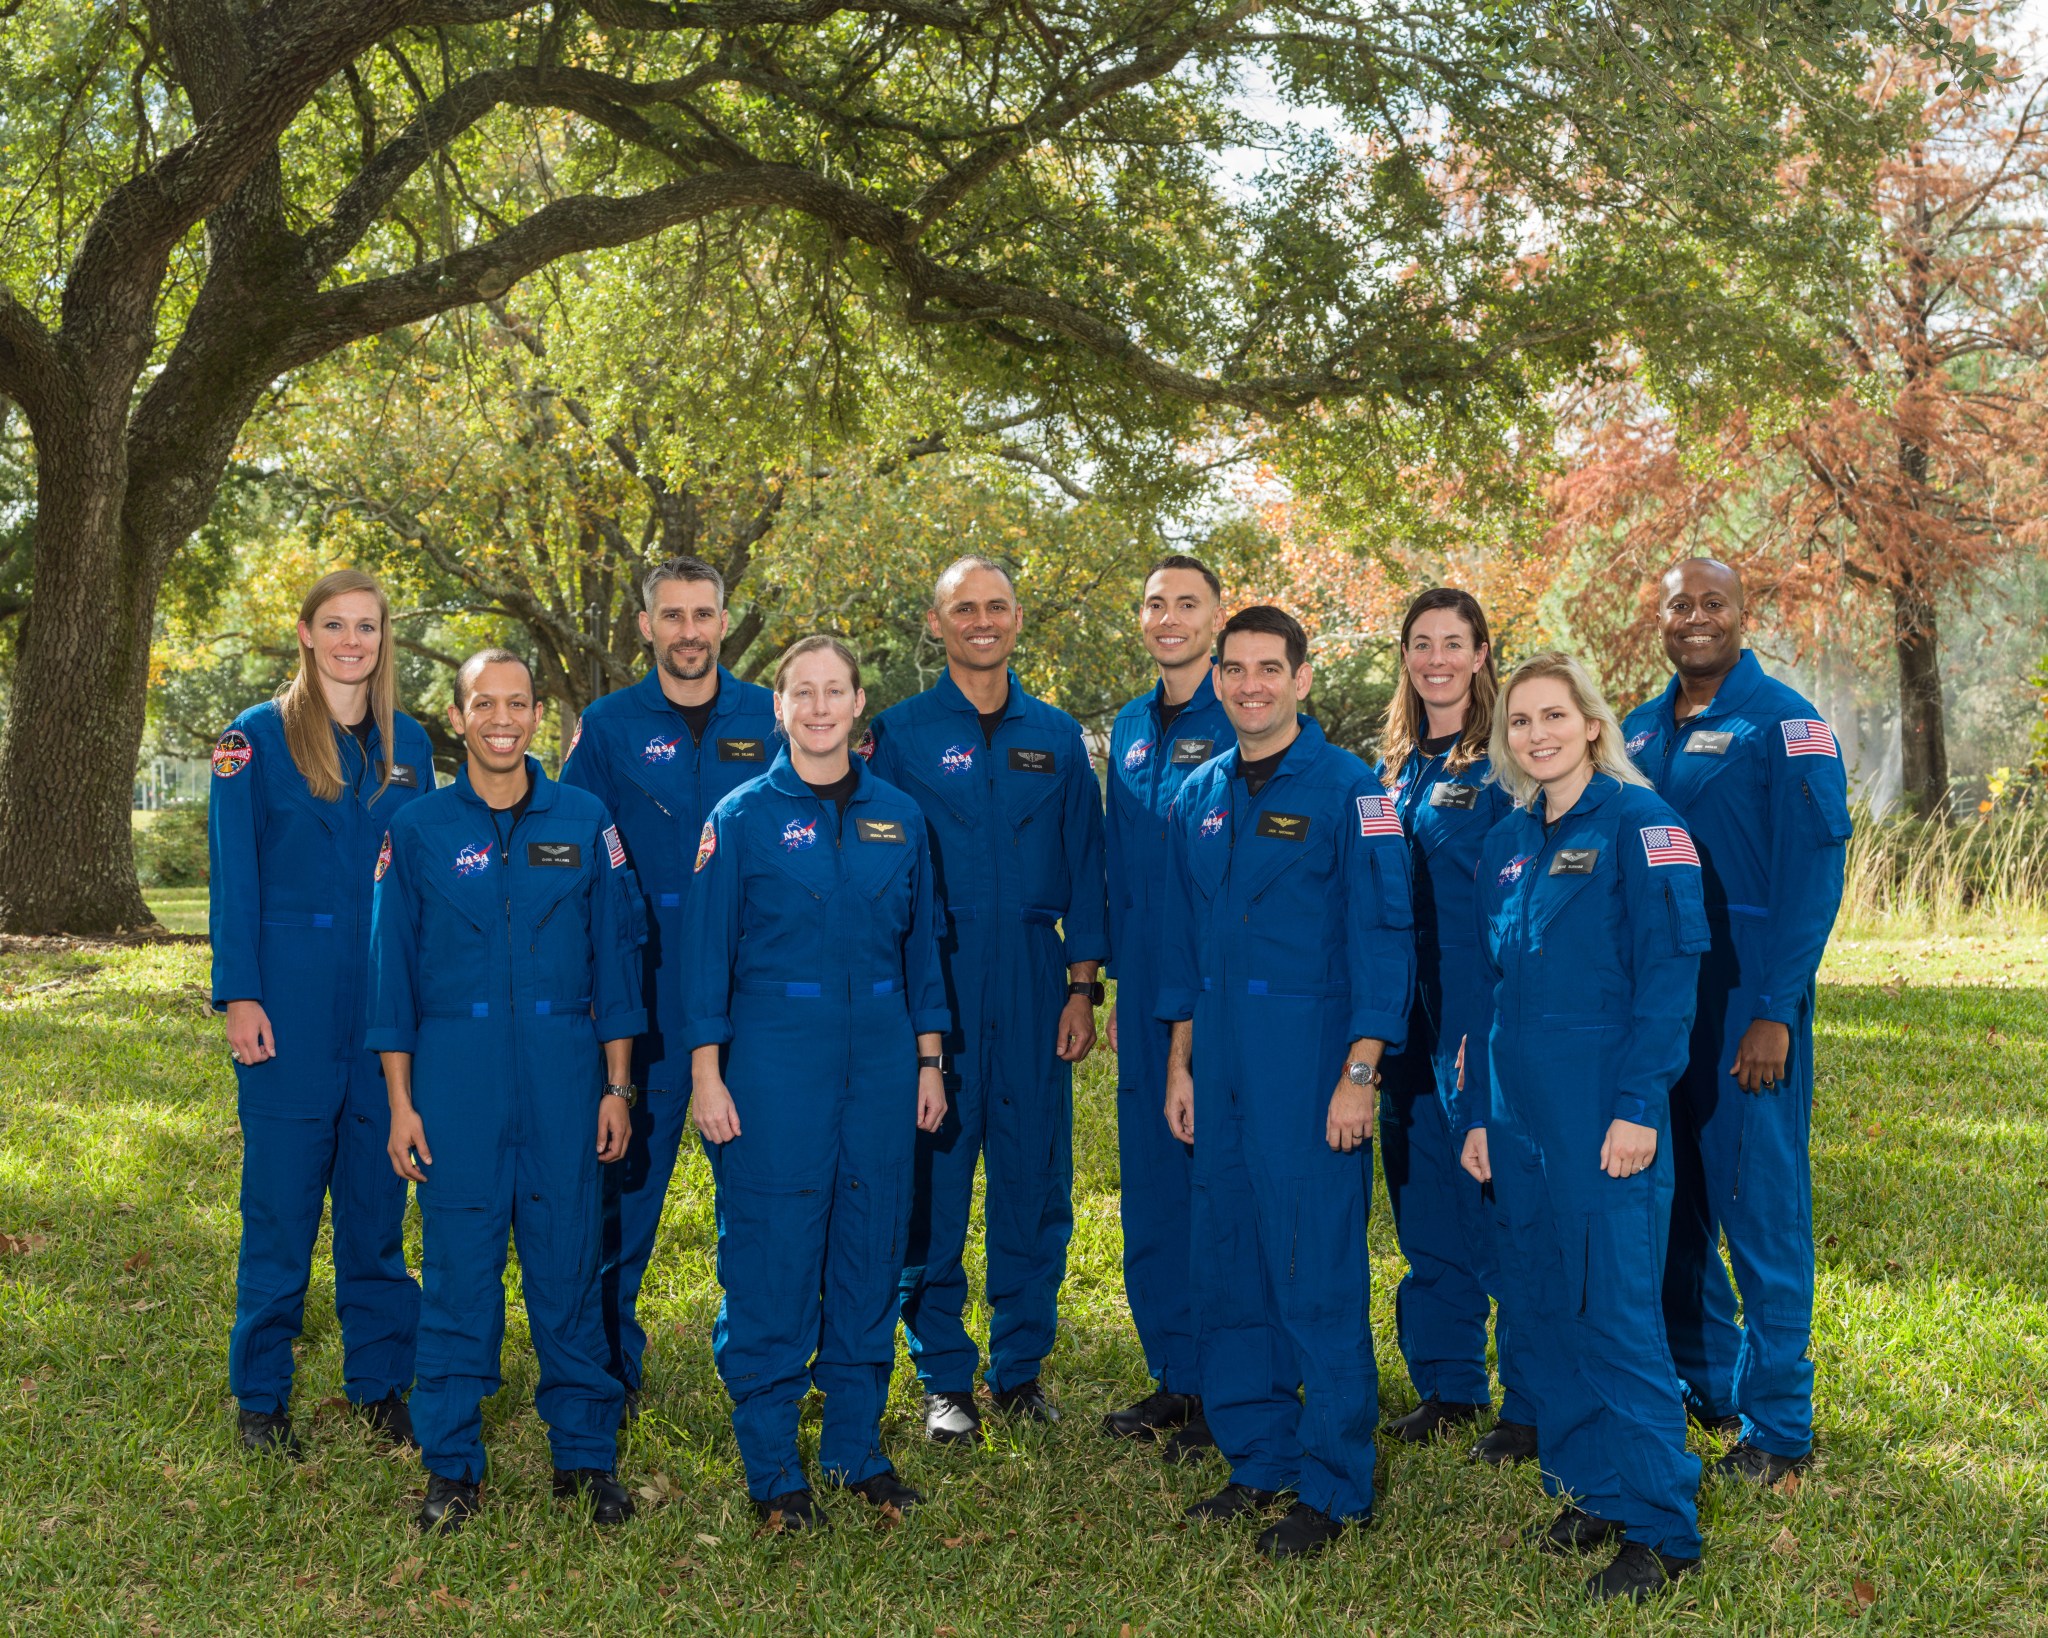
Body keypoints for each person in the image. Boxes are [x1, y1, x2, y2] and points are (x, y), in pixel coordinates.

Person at [367, 649, 646, 1534]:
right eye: (482, 703)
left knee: (568, 1271)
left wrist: (617, 1087)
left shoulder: (587, 818)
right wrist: (403, 1105)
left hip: (567, 1072)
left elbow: (618, 965)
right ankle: (451, 1468)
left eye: (516, 703)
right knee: (458, 1276)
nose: (501, 718)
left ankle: (584, 1459)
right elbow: (391, 982)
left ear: (537, 717)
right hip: (456, 1075)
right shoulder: (415, 831)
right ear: (456, 718)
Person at [1158, 605, 1415, 1560]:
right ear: (1217, 678)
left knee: (1313, 1273)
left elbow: (1386, 945)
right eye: (1236, 669)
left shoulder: (1355, 794)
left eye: (1271, 668)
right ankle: (1255, 1456)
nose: (1251, 685)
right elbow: (1188, 946)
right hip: (1219, 1064)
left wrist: (1361, 1073)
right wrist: (1181, 1062)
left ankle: (1336, 1484)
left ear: (1303, 680)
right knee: (1229, 1265)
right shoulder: (1202, 794)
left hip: (1310, 1064)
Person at [682, 635, 950, 1529]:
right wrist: (707, 1077)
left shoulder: (902, 819)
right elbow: (704, 960)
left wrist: (928, 1060)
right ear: (780, 708)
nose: (822, 707)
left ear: (859, 704)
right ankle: (773, 1471)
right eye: (805, 692)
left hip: (880, 1062)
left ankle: (854, 1450)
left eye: (837, 691)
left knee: (870, 1251)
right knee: (772, 1258)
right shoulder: (742, 817)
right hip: (772, 1062)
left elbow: (923, 957)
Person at [1465, 652, 1710, 1603]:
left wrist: (1639, 1108)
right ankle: (1593, 1488)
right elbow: (1495, 992)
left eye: (1553, 717)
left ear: (1593, 725)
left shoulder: (1645, 827)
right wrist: (1484, 1113)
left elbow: (1669, 985)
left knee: (1615, 1314)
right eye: (1520, 722)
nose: (1536, 734)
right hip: (1521, 1115)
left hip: (1605, 1110)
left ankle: (1661, 1525)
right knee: (1544, 1303)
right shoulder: (1508, 844)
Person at [863, 556, 1109, 1442]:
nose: (981, 621)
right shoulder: (896, 734)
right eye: (963, 608)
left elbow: (1087, 863)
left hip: (1036, 980)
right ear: (936, 623)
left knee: (1034, 1179)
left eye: (996, 607)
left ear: (1016, 618)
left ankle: (1021, 1367)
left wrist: (1082, 987)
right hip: (937, 976)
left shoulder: (1057, 735)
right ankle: (944, 1378)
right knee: (931, 1179)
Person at [1621, 559, 1851, 1483]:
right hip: (1656, 1006)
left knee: (1760, 1215)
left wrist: (1775, 1011)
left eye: (1713, 604)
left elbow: (1814, 878)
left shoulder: (1787, 726)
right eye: (1680, 605)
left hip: (1746, 1003)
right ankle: (1709, 1385)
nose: (1696, 620)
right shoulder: (1636, 727)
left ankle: (1780, 1431)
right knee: (1673, 1211)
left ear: (1742, 613)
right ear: (1662, 618)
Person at [208, 568, 436, 1458]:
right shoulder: (253, 740)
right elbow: (234, 875)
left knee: (378, 1213)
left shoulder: (408, 744)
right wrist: (240, 994)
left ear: (385, 640)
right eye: (335, 625)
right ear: (304, 633)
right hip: (289, 1007)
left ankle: (381, 1384)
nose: (353, 641)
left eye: (368, 627)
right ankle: (261, 1397)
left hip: (383, 1013)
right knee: (281, 1211)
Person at [559, 556, 778, 1421]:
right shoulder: (608, 728)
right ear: (645, 626)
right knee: (624, 1194)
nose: (689, 631)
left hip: (753, 997)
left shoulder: (771, 717)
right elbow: (576, 853)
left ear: (725, 623)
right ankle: (609, 1365)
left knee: (763, 1196)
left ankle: (757, 1363)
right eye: (672, 615)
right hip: (644, 995)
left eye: (704, 614)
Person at [1373, 590, 1533, 1464]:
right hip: (1403, 1012)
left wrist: (1492, 1019)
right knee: (1424, 1197)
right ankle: (1449, 1381)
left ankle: (1532, 1397)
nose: (1436, 658)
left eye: (1453, 644)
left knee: (1493, 1202)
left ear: (1481, 654)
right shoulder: (1396, 767)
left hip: (1476, 1005)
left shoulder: (1508, 761)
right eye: (1420, 643)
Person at [1100, 554, 1231, 1459]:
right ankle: (1177, 1377)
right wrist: (1105, 982)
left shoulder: (1246, 716)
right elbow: (1117, 862)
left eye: (1188, 603)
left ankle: (1236, 1381)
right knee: (1151, 1187)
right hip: (1144, 985)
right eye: (1155, 604)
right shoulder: (1127, 730)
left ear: (1218, 619)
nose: (1170, 617)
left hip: (1222, 988)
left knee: (1217, 1184)